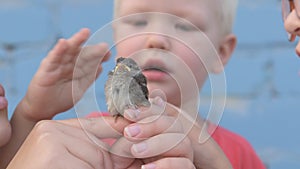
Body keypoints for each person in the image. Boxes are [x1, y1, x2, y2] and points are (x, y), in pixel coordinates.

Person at [5, 0, 266, 168]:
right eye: (139, 22)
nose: (156, 38)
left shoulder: (236, 154)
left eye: (184, 26)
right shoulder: (87, 137)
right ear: (116, 36)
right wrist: (32, 113)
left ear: (220, 52)